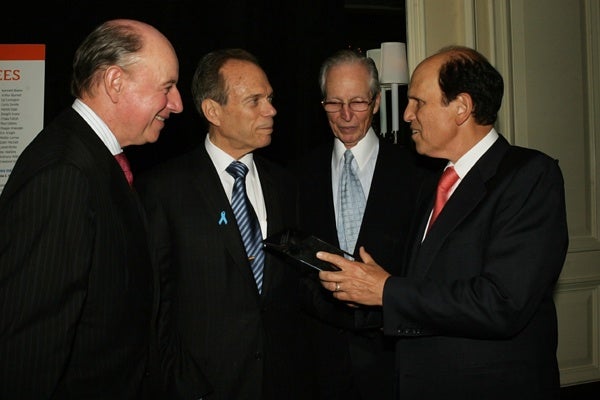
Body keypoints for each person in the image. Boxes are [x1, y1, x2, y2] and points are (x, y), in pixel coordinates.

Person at [317, 45, 569, 399]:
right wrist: (366, 292)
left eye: (418, 102)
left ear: (462, 108)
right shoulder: (434, 183)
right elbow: (426, 286)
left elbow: (502, 302)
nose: (406, 115)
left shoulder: (529, 176)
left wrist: (387, 290)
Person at [0, 19, 183, 399]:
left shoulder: (95, 160)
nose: (177, 104)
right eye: (167, 87)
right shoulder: (64, 173)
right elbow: (30, 348)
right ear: (115, 82)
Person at [135, 48, 319, 400]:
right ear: (213, 111)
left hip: (282, 381)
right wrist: (174, 383)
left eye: (270, 98)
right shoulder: (163, 190)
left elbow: (293, 286)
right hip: (203, 386)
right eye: (254, 100)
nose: (271, 110)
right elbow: (154, 303)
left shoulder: (285, 184)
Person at [288, 49, 431, 400]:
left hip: (396, 355)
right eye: (334, 103)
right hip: (320, 360)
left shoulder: (419, 173)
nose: (347, 115)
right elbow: (292, 267)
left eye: (358, 102)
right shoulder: (296, 175)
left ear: (377, 102)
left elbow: (428, 268)